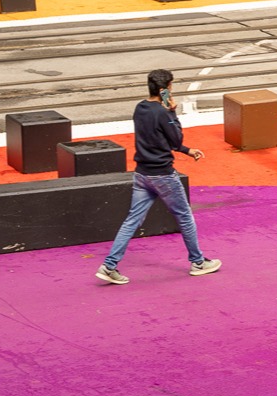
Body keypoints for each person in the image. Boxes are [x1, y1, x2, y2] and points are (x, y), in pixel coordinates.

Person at [95, 69, 221, 285]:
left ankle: (109, 265)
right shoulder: (163, 113)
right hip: (163, 175)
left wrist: (187, 150)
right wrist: (172, 113)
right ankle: (198, 262)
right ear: (165, 90)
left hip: (142, 173)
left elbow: (156, 137)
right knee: (184, 216)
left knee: (132, 220)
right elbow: (174, 138)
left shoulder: (140, 108)